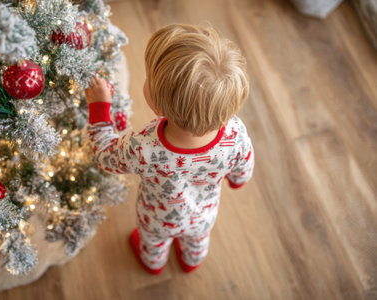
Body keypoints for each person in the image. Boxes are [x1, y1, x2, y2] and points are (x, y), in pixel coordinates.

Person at [85, 23, 254, 274]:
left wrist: (99, 108)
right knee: (198, 238)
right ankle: (191, 259)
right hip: (203, 213)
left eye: (149, 79)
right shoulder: (235, 132)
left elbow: (104, 156)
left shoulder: (144, 146)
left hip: (157, 219)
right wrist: (238, 180)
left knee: (152, 241)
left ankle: (153, 262)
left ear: (158, 107)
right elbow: (245, 164)